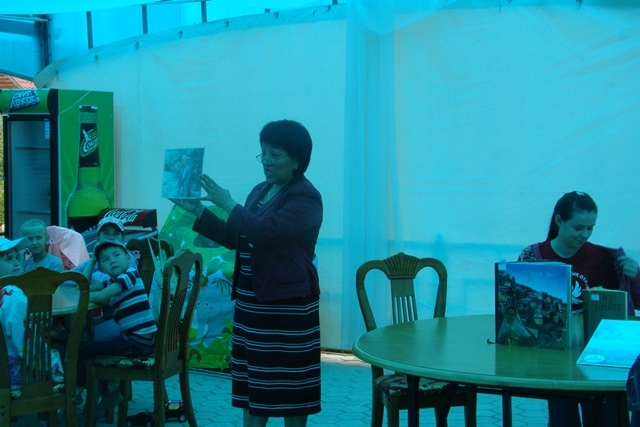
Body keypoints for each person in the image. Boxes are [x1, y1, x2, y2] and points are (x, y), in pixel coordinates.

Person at [171, 119, 323, 427]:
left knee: (291, 384)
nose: (266, 161)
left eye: (275, 155)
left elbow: (264, 231)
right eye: (263, 153)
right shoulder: (260, 191)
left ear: (297, 159)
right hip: (252, 302)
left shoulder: (306, 197)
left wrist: (228, 202)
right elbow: (235, 236)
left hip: (287, 305)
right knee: (255, 382)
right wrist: (198, 209)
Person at [518, 190, 640, 427]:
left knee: (603, 413)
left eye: (590, 228)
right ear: (559, 220)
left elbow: (633, 303)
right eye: (578, 228)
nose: (585, 234)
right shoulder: (533, 257)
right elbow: (518, 307)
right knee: (563, 409)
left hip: (596, 355)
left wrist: (635, 275)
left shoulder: (604, 258)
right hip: (551, 354)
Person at [76, 240, 157, 411]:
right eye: (105, 260)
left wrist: (84, 295)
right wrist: (92, 261)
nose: (112, 260)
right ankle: (111, 390)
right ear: (102, 268)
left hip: (137, 342)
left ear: (128, 258)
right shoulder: (113, 281)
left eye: (116, 255)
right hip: (140, 340)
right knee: (101, 345)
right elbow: (85, 286)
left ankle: (77, 389)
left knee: (87, 349)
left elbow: (98, 297)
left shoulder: (129, 275)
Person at [0, 237, 57, 427]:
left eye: (17, 257)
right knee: (45, 363)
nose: (17, 262)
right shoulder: (13, 295)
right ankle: (45, 418)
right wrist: (54, 367)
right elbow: (28, 344)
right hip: (13, 377)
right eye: (9, 259)